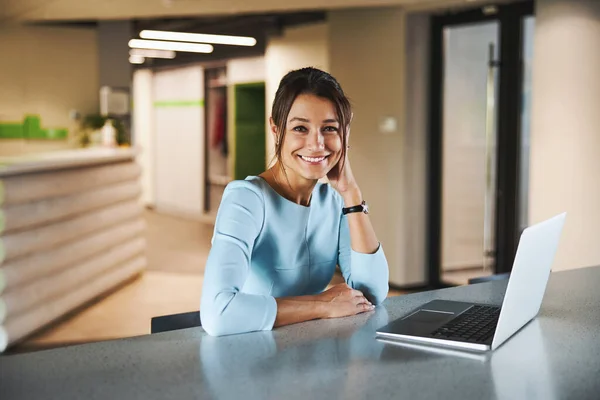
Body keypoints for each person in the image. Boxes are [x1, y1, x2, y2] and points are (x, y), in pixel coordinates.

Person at [200, 67, 389, 336]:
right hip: (252, 355)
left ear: (344, 135)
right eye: (300, 128)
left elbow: (372, 292)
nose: (317, 144)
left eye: (329, 129)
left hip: (310, 352)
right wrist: (322, 304)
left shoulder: (334, 201)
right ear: (276, 131)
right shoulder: (246, 198)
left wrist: (352, 194)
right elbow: (218, 313)